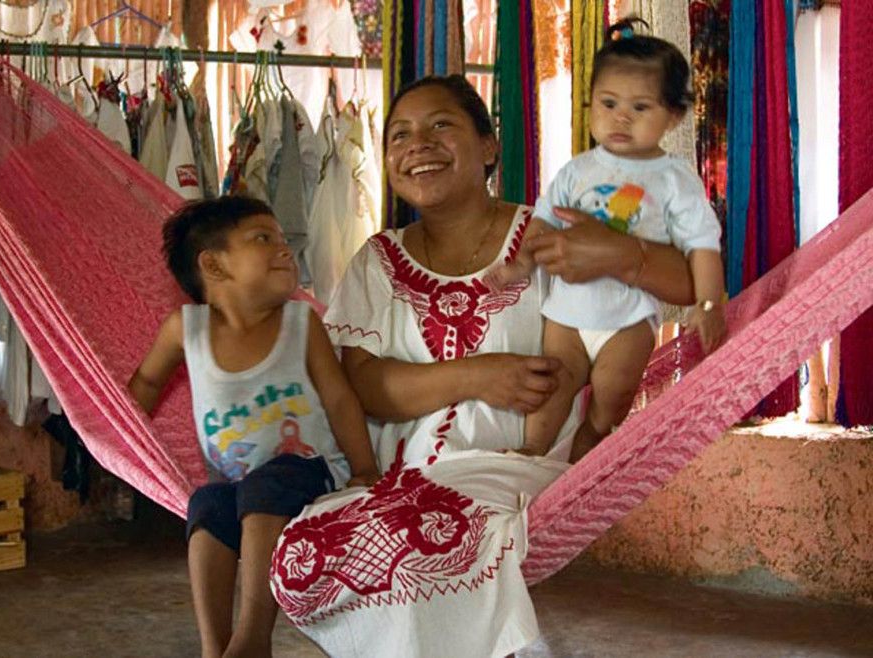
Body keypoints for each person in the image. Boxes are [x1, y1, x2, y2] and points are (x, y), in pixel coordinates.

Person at [269, 74, 696, 657]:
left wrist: (595, 429)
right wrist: (480, 374)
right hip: (400, 480)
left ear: (490, 145)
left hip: (518, 468)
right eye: (399, 135)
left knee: (418, 541)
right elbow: (365, 386)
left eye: (440, 125)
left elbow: (635, 320)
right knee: (302, 557)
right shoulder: (378, 259)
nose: (416, 144)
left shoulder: (549, 240)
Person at [128, 196, 380, 658]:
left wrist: (365, 468)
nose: (285, 248)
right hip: (236, 486)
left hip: (312, 475)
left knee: (265, 487)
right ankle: (214, 646)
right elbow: (145, 382)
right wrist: (112, 434)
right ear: (214, 266)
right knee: (205, 506)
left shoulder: (300, 324)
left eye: (283, 239)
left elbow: (340, 398)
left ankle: (253, 637)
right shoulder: (186, 330)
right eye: (264, 238)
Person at [485, 18, 726, 461]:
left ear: (673, 116)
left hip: (628, 320)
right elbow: (543, 222)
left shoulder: (674, 179)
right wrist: (521, 263)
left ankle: (592, 439)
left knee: (613, 399)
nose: (620, 117)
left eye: (640, 108)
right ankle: (531, 453)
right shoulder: (576, 170)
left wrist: (709, 304)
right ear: (590, 103)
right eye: (608, 102)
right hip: (567, 314)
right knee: (553, 383)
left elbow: (702, 245)